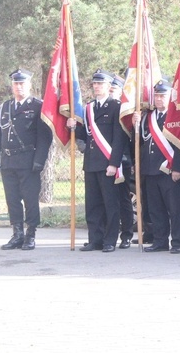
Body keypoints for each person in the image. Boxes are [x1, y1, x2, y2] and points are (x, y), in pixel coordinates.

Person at [69, 69, 128, 253]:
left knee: (110, 204)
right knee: (93, 204)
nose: (97, 86)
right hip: (91, 162)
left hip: (107, 163)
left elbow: (119, 139)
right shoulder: (89, 108)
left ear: (109, 86)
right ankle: (95, 239)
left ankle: (110, 240)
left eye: (100, 83)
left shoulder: (116, 107)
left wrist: (113, 163)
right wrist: (73, 127)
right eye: (95, 83)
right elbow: (86, 136)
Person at [0, 69, 52, 250]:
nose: (19, 86)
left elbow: (44, 137)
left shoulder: (38, 106)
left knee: (30, 199)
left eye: (22, 83)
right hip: (8, 161)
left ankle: (30, 234)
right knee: (12, 200)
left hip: (28, 161)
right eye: (16, 83)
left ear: (29, 84)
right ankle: (17, 234)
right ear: (12, 85)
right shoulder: (4, 107)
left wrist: (39, 160)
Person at [131, 79, 180, 253]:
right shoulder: (148, 117)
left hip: (169, 169)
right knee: (155, 209)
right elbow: (138, 141)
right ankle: (160, 240)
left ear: (170, 96)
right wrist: (136, 125)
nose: (159, 99)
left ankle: (178, 242)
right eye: (157, 96)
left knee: (175, 208)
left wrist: (177, 167)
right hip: (150, 168)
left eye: (163, 95)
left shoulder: (176, 116)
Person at [110, 74, 136, 249]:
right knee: (105, 200)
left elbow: (133, 140)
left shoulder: (125, 110)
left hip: (123, 161)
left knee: (123, 199)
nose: (112, 91)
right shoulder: (97, 108)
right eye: (110, 88)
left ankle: (126, 233)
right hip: (102, 161)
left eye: (114, 89)